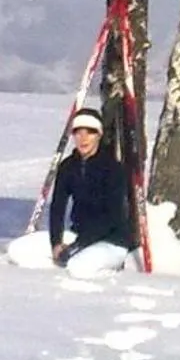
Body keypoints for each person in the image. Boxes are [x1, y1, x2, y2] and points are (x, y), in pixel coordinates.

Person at [49, 107, 135, 271]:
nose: (83, 138)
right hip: (78, 235)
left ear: (99, 135)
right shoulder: (68, 166)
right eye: (78, 132)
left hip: (111, 241)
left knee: (78, 267)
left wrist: (77, 246)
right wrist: (56, 243)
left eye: (90, 132)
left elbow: (114, 216)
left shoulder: (112, 168)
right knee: (20, 251)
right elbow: (57, 207)